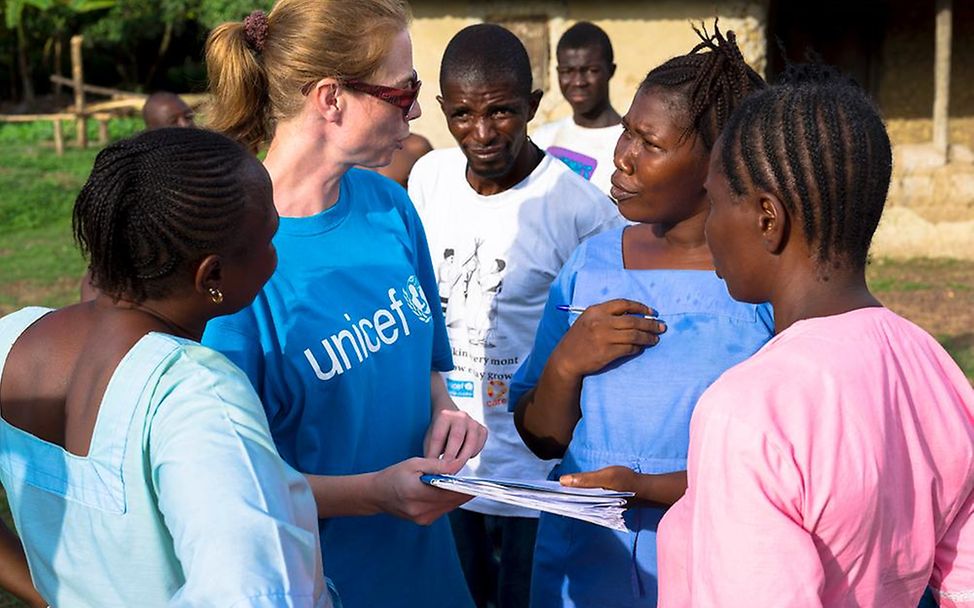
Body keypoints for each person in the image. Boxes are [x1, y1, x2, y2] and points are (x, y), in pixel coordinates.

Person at [202, 3, 486, 607]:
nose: (414, 112)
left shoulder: (390, 205)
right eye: (403, 89)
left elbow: (427, 368)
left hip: (429, 571)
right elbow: (230, 478)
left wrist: (449, 412)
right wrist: (376, 493)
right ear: (330, 99)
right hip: (324, 582)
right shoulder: (233, 259)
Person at [656, 67, 974, 607]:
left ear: (767, 219)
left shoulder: (747, 412)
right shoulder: (936, 370)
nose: (707, 229)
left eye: (713, 203)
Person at [0, 127, 334, 607]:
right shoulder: (196, 391)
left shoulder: (12, 340)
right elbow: (254, 594)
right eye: (270, 237)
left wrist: (46, 594)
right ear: (211, 275)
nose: (277, 255)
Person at [509, 24, 772, 607]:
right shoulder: (590, 263)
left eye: (649, 145)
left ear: (715, 166)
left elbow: (784, 468)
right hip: (582, 569)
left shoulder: (762, 285)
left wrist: (644, 489)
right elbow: (542, 440)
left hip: (708, 568)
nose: (621, 157)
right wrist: (564, 366)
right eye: (626, 130)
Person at [408, 24, 625, 608]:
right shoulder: (427, 181)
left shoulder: (582, 212)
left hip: (534, 478)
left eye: (501, 112)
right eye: (461, 115)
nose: (481, 133)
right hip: (443, 465)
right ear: (443, 111)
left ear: (531, 106)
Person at [531, 22, 622, 196]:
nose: (578, 82)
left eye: (591, 70)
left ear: (610, 71)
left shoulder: (627, 145)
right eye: (567, 71)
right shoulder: (543, 137)